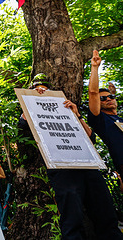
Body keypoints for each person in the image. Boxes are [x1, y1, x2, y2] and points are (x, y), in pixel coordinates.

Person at [18, 74, 123, 240]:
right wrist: (31, 101)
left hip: (88, 165)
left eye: (46, 89)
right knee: (72, 219)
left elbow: (91, 138)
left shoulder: (66, 108)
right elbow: (23, 124)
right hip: (62, 167)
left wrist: (77, 115)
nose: (42, 91)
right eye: (38, 89)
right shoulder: (29, 112)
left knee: (106, 213)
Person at [88, 50, 123, 175]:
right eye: (102, 98)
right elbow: (92, 93)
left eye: (111, 97)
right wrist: (95, 67)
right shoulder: (100, 119)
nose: (108, 99)